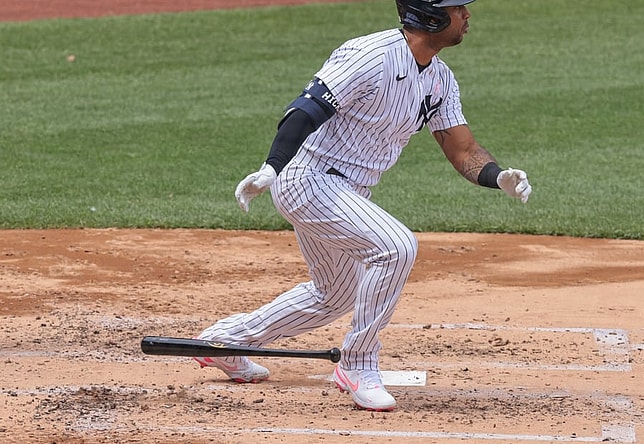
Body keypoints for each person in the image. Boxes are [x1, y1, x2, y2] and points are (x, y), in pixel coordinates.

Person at [193, 0, 532, 412]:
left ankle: (225, 341)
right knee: (396, 246)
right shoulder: (370, 55)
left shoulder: (440, 79)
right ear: (430, 16)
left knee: (333, 295)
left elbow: (463, 151)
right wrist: (271, 167)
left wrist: (498, 177)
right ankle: (358, 364)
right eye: (457, 8)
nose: (467, 15)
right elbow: (306, 108)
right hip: (308, 178)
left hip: (349, 193)